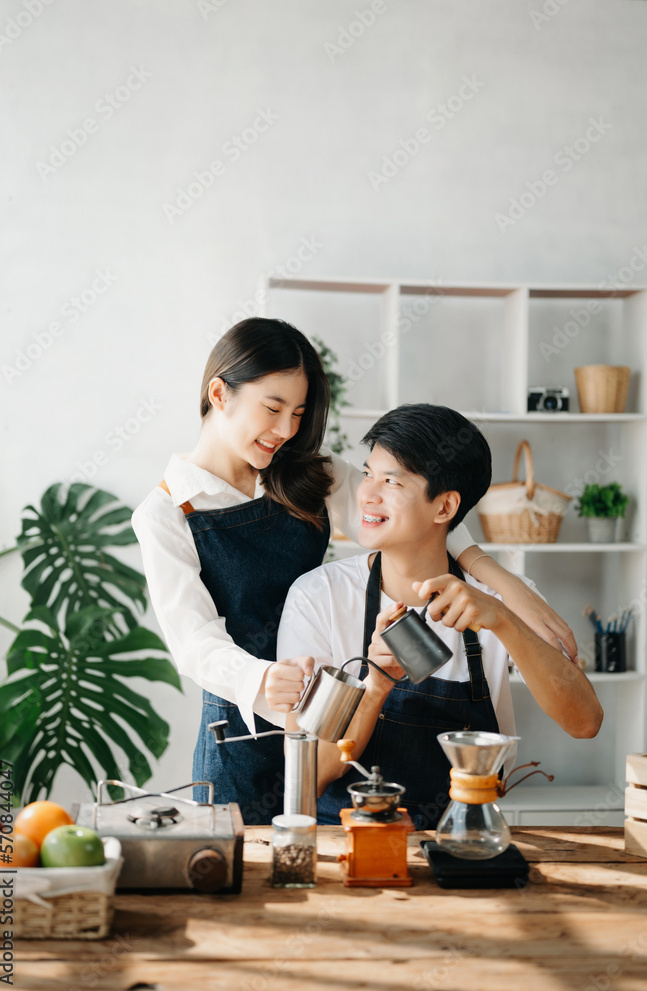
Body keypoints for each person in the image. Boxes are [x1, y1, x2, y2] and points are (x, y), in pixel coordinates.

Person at [132, 319, 579, 824]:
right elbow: (192, 642)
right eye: (273, 408)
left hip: (335, 714)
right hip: (244, 733)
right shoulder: (167, 513)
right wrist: (262, 677)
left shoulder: (308, 473)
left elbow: (415, 511)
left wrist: (503, 586)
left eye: (298, 413)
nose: (285, 430)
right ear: (220, 392)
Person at [274, 403, 603, 829]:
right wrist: (374, 687)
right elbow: (312, 776)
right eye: (369, 473)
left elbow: (585, 723)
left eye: (391, 481)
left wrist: (500, 619)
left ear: (445, 507)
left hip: (464, 844)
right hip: (350, 847)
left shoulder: (501, 600)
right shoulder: (319, 596)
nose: (367, 494)